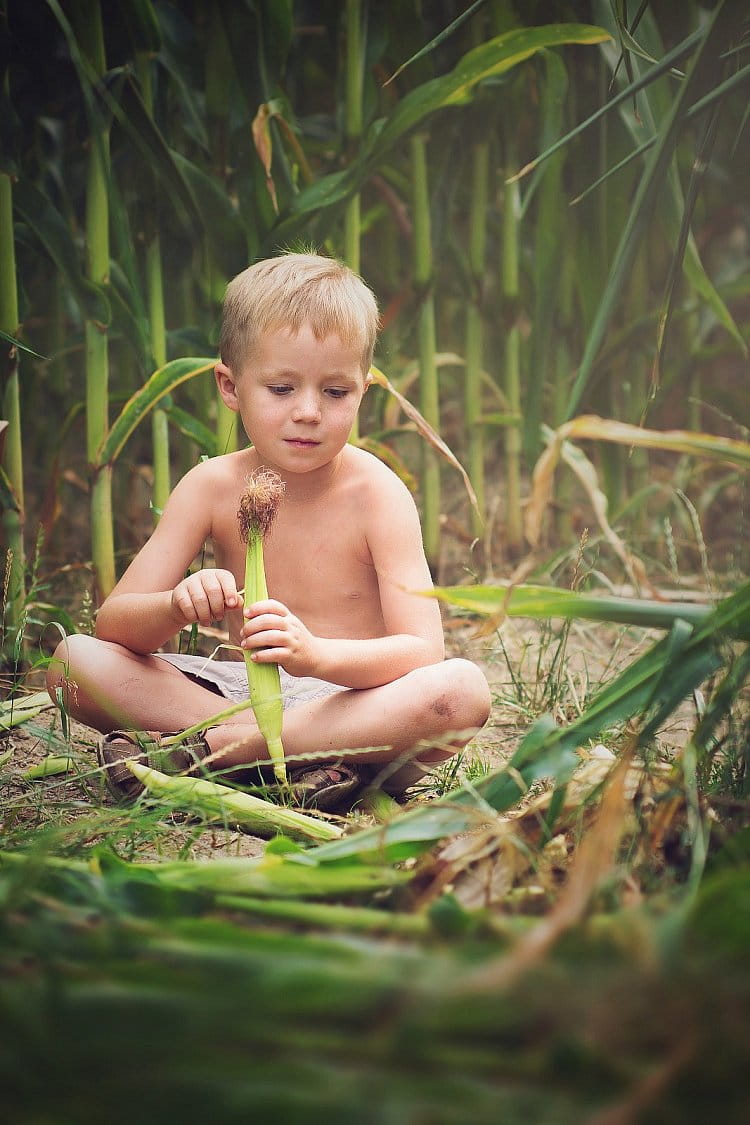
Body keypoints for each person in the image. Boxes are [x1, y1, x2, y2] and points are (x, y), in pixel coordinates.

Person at [47, 252, 491, 810]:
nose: (308, 411)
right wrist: (176, 607)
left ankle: (211, 753)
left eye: (335, 392)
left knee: (461, 689)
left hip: (357, 707)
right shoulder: (210, 486)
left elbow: (422, 652)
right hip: (240, 697)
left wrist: (315, 656)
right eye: (282, 388)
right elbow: (116, 625)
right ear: (230, 387)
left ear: (362, 393)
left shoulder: (377, 493)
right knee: (73, 663)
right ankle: (287, 764)